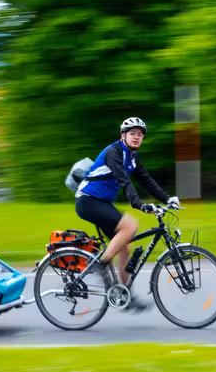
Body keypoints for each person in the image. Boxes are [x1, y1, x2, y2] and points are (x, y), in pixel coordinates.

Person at [75, 117, 180, 312]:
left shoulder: (133, 157)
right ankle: (100, 263)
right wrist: (140, 205)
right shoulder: (113, 152)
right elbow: (124, 181)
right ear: (123, 136)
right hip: (88, 201)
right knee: (130, 225)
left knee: (125, 248)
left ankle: (125, 295)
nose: (136, 137)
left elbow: (146, 180)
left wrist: (167, 199)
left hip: (102, 203)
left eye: (140, 134)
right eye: (132, 133)